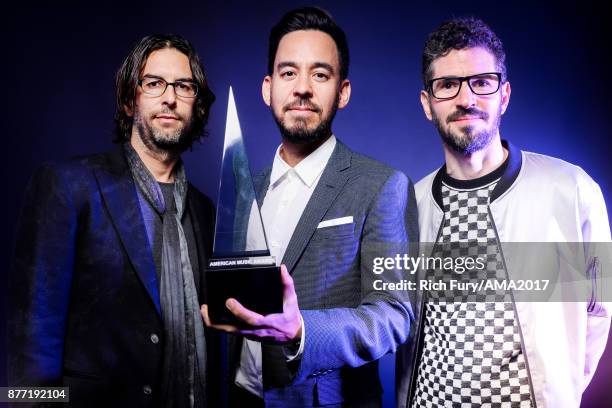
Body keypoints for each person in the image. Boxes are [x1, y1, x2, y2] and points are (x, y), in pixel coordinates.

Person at [202, 6, 418, 407]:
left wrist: (300, 331)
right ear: (268, 88)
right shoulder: (248, 190)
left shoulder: (382, 185)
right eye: (288, 73)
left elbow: (393, 315)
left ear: (343, 91)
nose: (302, 87)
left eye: (320, 74)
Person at [396, 17, 611, 407]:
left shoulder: (572, 189)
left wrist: (558, 391)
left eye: (481, 82)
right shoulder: (410, 205)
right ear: (427, 104)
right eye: (447, 85)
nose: (466, 99)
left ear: (504, 95)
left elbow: (600, 309)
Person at [8, 34, 221, 407]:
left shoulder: (207, 212)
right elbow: (32, 345)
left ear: (197, 105)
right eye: (154, 83)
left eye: (184, 86)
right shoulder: (66, 186)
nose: (170, 97)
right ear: (128, 100)